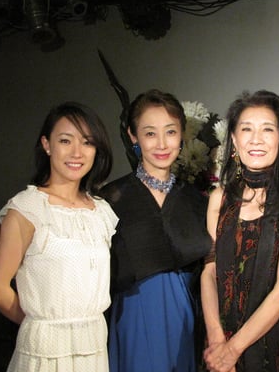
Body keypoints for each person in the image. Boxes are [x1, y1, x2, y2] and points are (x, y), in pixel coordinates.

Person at [0, 102, 118, 372]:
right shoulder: (28, 207)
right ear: (47, 145)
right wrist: (39, 326)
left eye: (87, 142)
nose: (77, 152)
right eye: (65, 140)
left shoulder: (101, 211)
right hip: (44, 352)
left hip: (93, 345)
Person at [201, 90, 279, 372]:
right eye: (246, 129)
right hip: (220, 343)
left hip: (272, 346)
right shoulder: (219, 198)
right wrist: (216, 338)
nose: (256, 139)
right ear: (233, 139)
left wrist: (233, 349)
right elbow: (209, 271)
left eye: (267, 129)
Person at [101, 89, 212, 372]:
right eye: (150, 133)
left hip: (187, 319)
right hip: (134, 316)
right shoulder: (110, 199)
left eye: (170, 132)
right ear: (133, 136)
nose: (162, 144)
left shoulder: (197, 201)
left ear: (182, 134)